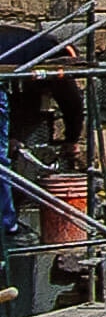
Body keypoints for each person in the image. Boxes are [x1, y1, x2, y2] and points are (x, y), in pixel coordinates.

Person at [0, 25, 84, 243]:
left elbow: (19, 97)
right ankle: (7, 226)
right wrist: (72, 140)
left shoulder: (30, 46)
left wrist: (12, 136)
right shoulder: (57, 58)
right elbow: (72, 103)